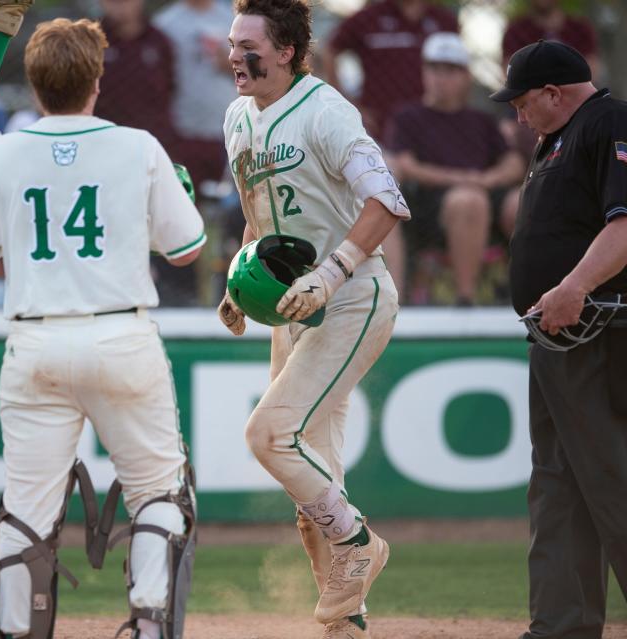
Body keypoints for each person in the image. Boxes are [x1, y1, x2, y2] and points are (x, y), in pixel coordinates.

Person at [0, 17, 205, 639]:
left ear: (36, 83)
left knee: (27, 506)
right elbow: (188, 249)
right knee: (159, 492)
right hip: (120, 335)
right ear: (96, 81)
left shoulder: (0, 150)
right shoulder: (138, 145)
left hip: (35, 338)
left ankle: (18, 630)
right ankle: (149, 625)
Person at [220, 0, 410, 635]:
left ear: (286, 52)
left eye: (249, 45)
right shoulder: (236, 117)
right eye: (231, 43)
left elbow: (387, 199)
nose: (234, 56)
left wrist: (331, 272)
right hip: (288, 308)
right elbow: (260, 211)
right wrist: (238, 279)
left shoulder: (326, 111)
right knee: (311, 499)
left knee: (269, 436)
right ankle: (344, 622)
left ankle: (361, 543)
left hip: (351, 299)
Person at [490, 40, 627, 639]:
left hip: (599, 332)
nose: (518, 117)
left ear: (554, 93)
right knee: (556, 484)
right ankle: (560, 628)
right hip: (556, 337)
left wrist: (572, 287)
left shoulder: (609, 121)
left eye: (523, 103)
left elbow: (626, 223)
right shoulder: (555, 137)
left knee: (612, 478)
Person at [385, 32, 524, 305]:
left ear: (465, 76)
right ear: (424, 72)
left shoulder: (481, 120)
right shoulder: (408, 116)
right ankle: (466, 299)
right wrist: (461, 179)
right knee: (468, 200)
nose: (441, 77)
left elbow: (514, 163)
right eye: (434, 68)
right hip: (427, 202)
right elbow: (405, 164)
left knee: (524, 201)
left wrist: (486, 179)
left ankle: (535, 293)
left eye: (450, 70)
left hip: (483, 191)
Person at [322, 0, 459, 142]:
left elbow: (460, 71)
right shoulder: (369, 18)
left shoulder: (445, 21)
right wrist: (348, 107)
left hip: (431, 130)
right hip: (379, 129)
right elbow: (330, 50)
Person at [153, 0, 235, 188]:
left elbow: (261, 72)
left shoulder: (235, 19)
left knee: (233, 209)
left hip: (231, 131)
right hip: (183, 131)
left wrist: (234, 66)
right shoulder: (165, 24)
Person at [95, 0, 178, 152]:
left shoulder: (160, 42)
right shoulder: (89, 42)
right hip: (103, 145)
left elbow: (171, 89)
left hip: (153, 145)